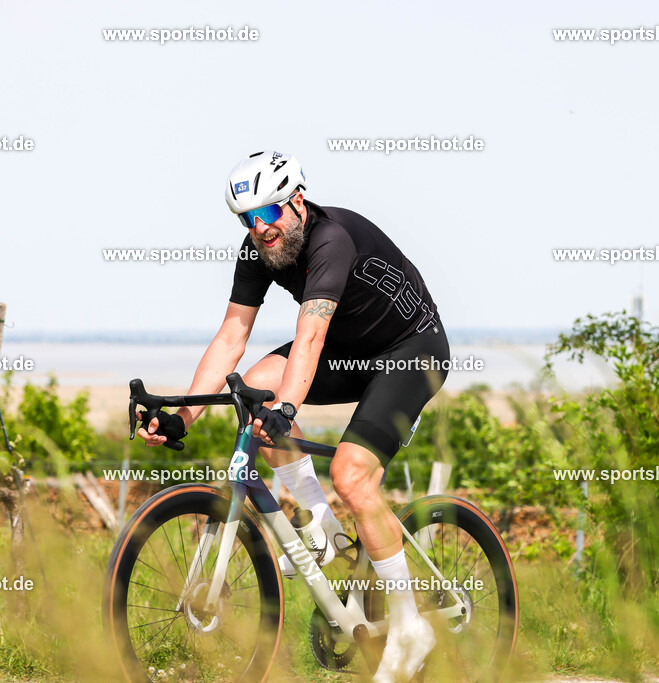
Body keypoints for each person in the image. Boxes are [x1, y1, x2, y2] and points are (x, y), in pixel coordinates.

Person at [137, 150, 449, 682]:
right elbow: (232, 336)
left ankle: (410, 627)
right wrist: (182, 417)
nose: (260, 230)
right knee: (254, 387)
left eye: (268, 214)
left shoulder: (331, 240)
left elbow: (311, 336)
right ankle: (321, 529)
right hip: (347, 355)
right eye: (247, 220)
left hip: (409, 351)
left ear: (296, 201)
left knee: (351, 474)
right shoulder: (259, 249)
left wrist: (287, 410)